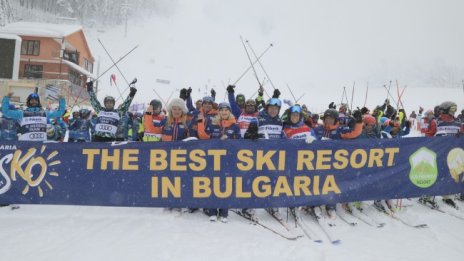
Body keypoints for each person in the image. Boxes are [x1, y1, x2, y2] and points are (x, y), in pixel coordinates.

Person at [198, 102, 241, 223]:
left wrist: (230, 140)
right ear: (219, 112)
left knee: (225, 185)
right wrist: (200, 122)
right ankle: (212, 211)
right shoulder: (213, 124)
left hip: (228, 159)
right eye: (222, 110)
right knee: (213, 184)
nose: (224, 112)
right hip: (214, 159)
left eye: (226, 110)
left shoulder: (234, 126)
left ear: (229, 112)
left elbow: (239, 141)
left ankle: (224, 212)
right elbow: (204, 137)